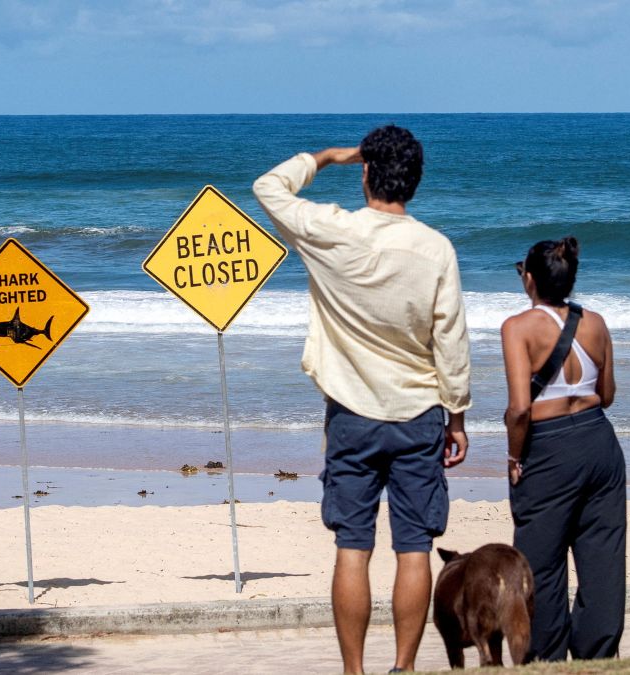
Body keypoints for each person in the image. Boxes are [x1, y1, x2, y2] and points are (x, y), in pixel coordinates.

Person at [253, 125, 471, 675]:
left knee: (353, 545)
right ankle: (404, 667)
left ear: (367, 172)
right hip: (418, 413)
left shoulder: (331, 231)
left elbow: (268, 187)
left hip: (350, 412)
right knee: (414, 545)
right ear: (416, 182)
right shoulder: (435, 248)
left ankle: (354, 671)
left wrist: (326, 157)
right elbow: (451, 340)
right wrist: (459, 414)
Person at [501, 238, 625, 662]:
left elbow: (519, 408)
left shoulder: (517, 327)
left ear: (530, 279)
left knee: (541, 562)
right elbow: (606, 395)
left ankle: (547, 658)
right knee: (602, 557)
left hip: (549, 447)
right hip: (598, 441)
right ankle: (597, 657)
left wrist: (515, 458)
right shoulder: (596, 322)